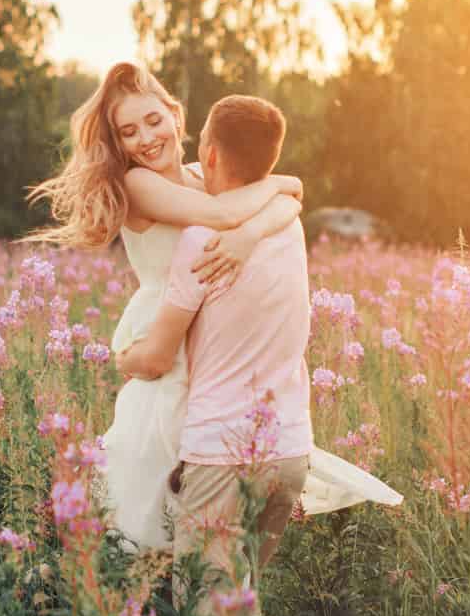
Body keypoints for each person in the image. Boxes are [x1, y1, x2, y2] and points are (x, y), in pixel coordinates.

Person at [116, 94, 399, 616]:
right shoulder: (285, 227)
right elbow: (285, 197)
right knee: (241, 605)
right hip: (289, 455)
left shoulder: (198, 241)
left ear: (209, 153)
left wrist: (118, 356)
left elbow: (157, 356)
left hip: (222, 458)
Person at [27, 62, 399, 555]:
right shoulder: (140, 186)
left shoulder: (206, 174)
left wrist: (252, 229)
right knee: (165, 509)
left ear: (176, 116)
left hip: (214, 333)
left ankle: (204, 611)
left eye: (153, 120)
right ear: (117, 144)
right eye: (128, 131)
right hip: (170, 336)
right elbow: (246, 206)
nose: (146, 138)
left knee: (219, 498)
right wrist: (270, 196)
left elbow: (289, 204)